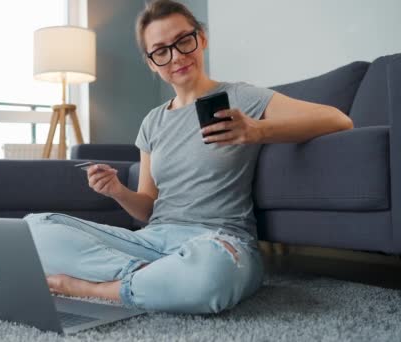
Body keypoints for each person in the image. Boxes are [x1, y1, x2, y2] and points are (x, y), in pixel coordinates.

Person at [23, 0, 353, 314]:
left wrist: (256, 130)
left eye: (184, 41)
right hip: (153, 241)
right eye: (161, 52)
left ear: (202, 38)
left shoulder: (240, 97)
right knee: (35, 228)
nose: (177, 56)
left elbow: (338, 119)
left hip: (219, 244)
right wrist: (117, 192)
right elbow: (148, 208)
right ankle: (158, 279)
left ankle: (96, 289)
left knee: (209, 277)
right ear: (152, 63)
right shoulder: (153, 122)